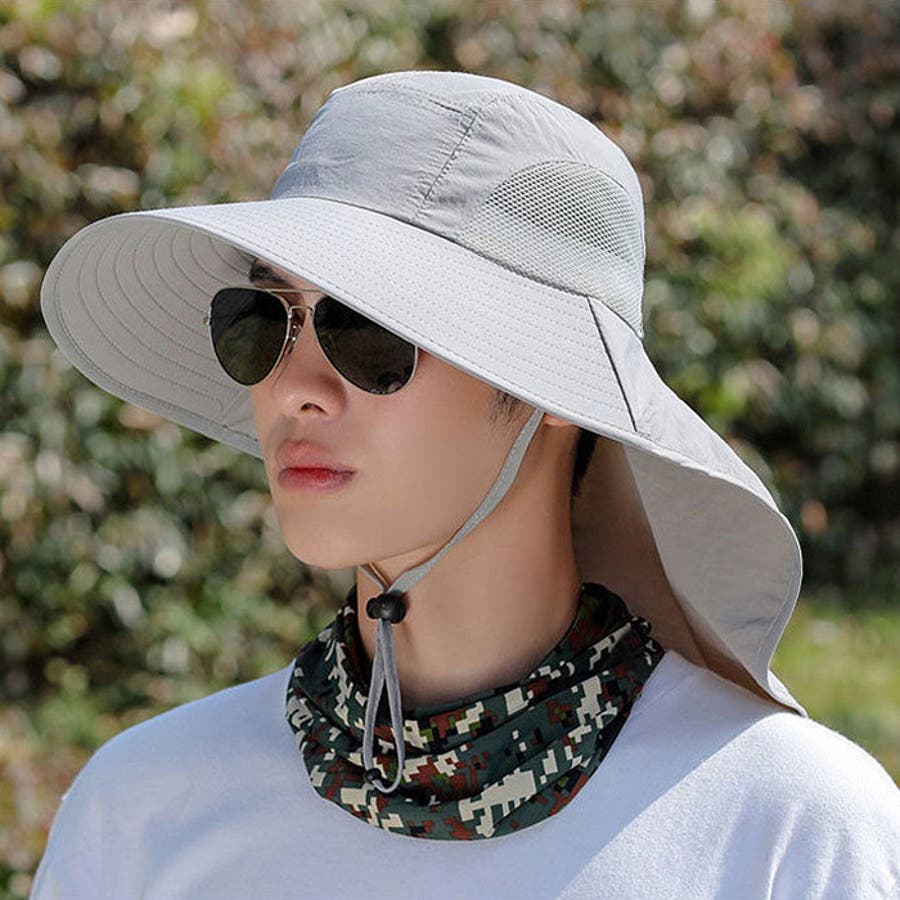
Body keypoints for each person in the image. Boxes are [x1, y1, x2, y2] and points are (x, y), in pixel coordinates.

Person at [31, 70, 898, 899]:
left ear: (551, 382)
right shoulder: (143, 808)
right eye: (265, 318)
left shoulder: (785, 827)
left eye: (368, 327)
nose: (294, 389)